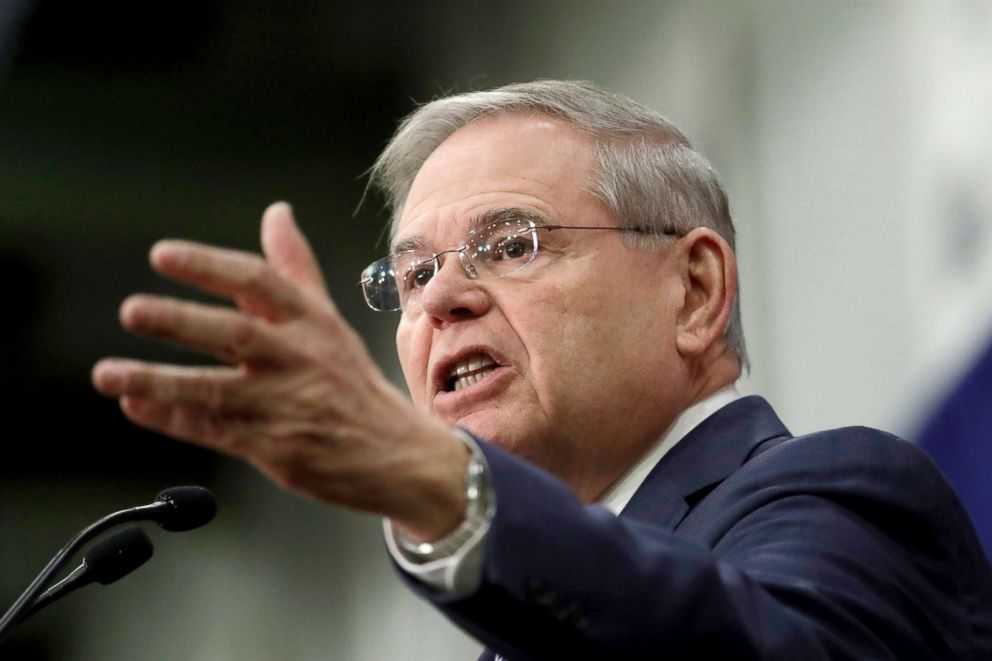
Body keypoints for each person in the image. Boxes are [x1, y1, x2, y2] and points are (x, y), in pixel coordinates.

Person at [92, 80, 992, 660]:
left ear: (694, 288)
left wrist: (443, 488)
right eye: (412, 274)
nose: (441, 298)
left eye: (510, 243)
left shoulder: (841, 499)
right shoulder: (518, 622)